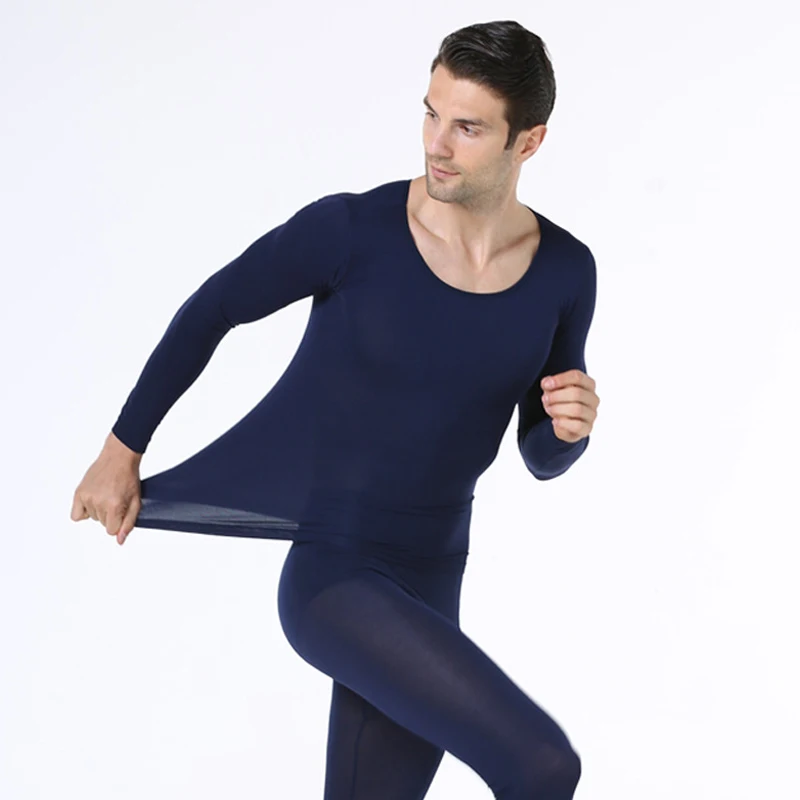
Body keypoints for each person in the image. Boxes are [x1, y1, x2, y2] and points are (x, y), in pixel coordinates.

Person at [71, 19, 599, 800]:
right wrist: (122, 449)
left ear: (529, 141)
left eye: (467, 127)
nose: (437, 144)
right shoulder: (354, 231)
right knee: (542, 764)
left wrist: (568, 431)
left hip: (435, 580)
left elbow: (541, 454)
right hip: (337, 578)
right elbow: (214, 307)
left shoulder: (564, 272)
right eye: (430, 114)